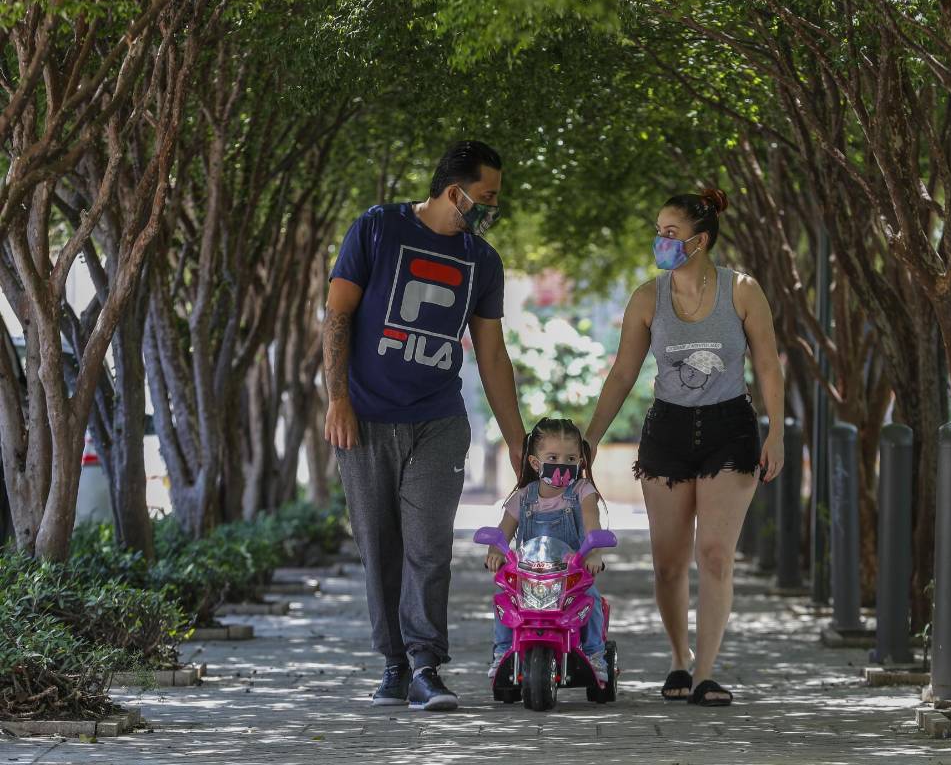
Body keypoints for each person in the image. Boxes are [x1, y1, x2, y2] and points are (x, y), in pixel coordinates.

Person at [323, 141, 525, 712]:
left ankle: (425, 665)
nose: (492, 207)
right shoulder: (378, 227)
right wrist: (337, 399)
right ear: (453, 189)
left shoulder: (482, 261)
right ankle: (393, 664)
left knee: (429, 547)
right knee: (379, 546)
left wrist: (517, 439)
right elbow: (337, 313)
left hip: (438, 419)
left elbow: (492, 354)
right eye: (486, 196)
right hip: (364, 418)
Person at [585, 188, 785, 707]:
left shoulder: (741, 291)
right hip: (667, 432)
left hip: (730, 430)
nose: (661, 242)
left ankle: (705, 672)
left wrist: (777, 432)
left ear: (699, 241)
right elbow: (624, 372)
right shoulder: (647, 298)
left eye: (670, 234)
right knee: (668, 563)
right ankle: (678, 660)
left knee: (715, 556)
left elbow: (767, 364)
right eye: (659, 232)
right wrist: (590, 439)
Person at [483, 418, 608, 680]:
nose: (562, 464)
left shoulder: (582, 491)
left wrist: (594, 551)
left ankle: (595, 654)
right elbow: (503, 530)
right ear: (535, 462)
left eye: (570, 458)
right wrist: (495, 551)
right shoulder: (524, 496)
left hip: (571, 575)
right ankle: (503, 652)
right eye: (553, 456)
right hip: (527, 575)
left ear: (580, 462)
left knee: (592, 599)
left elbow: (592, 522)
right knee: (504, 602)